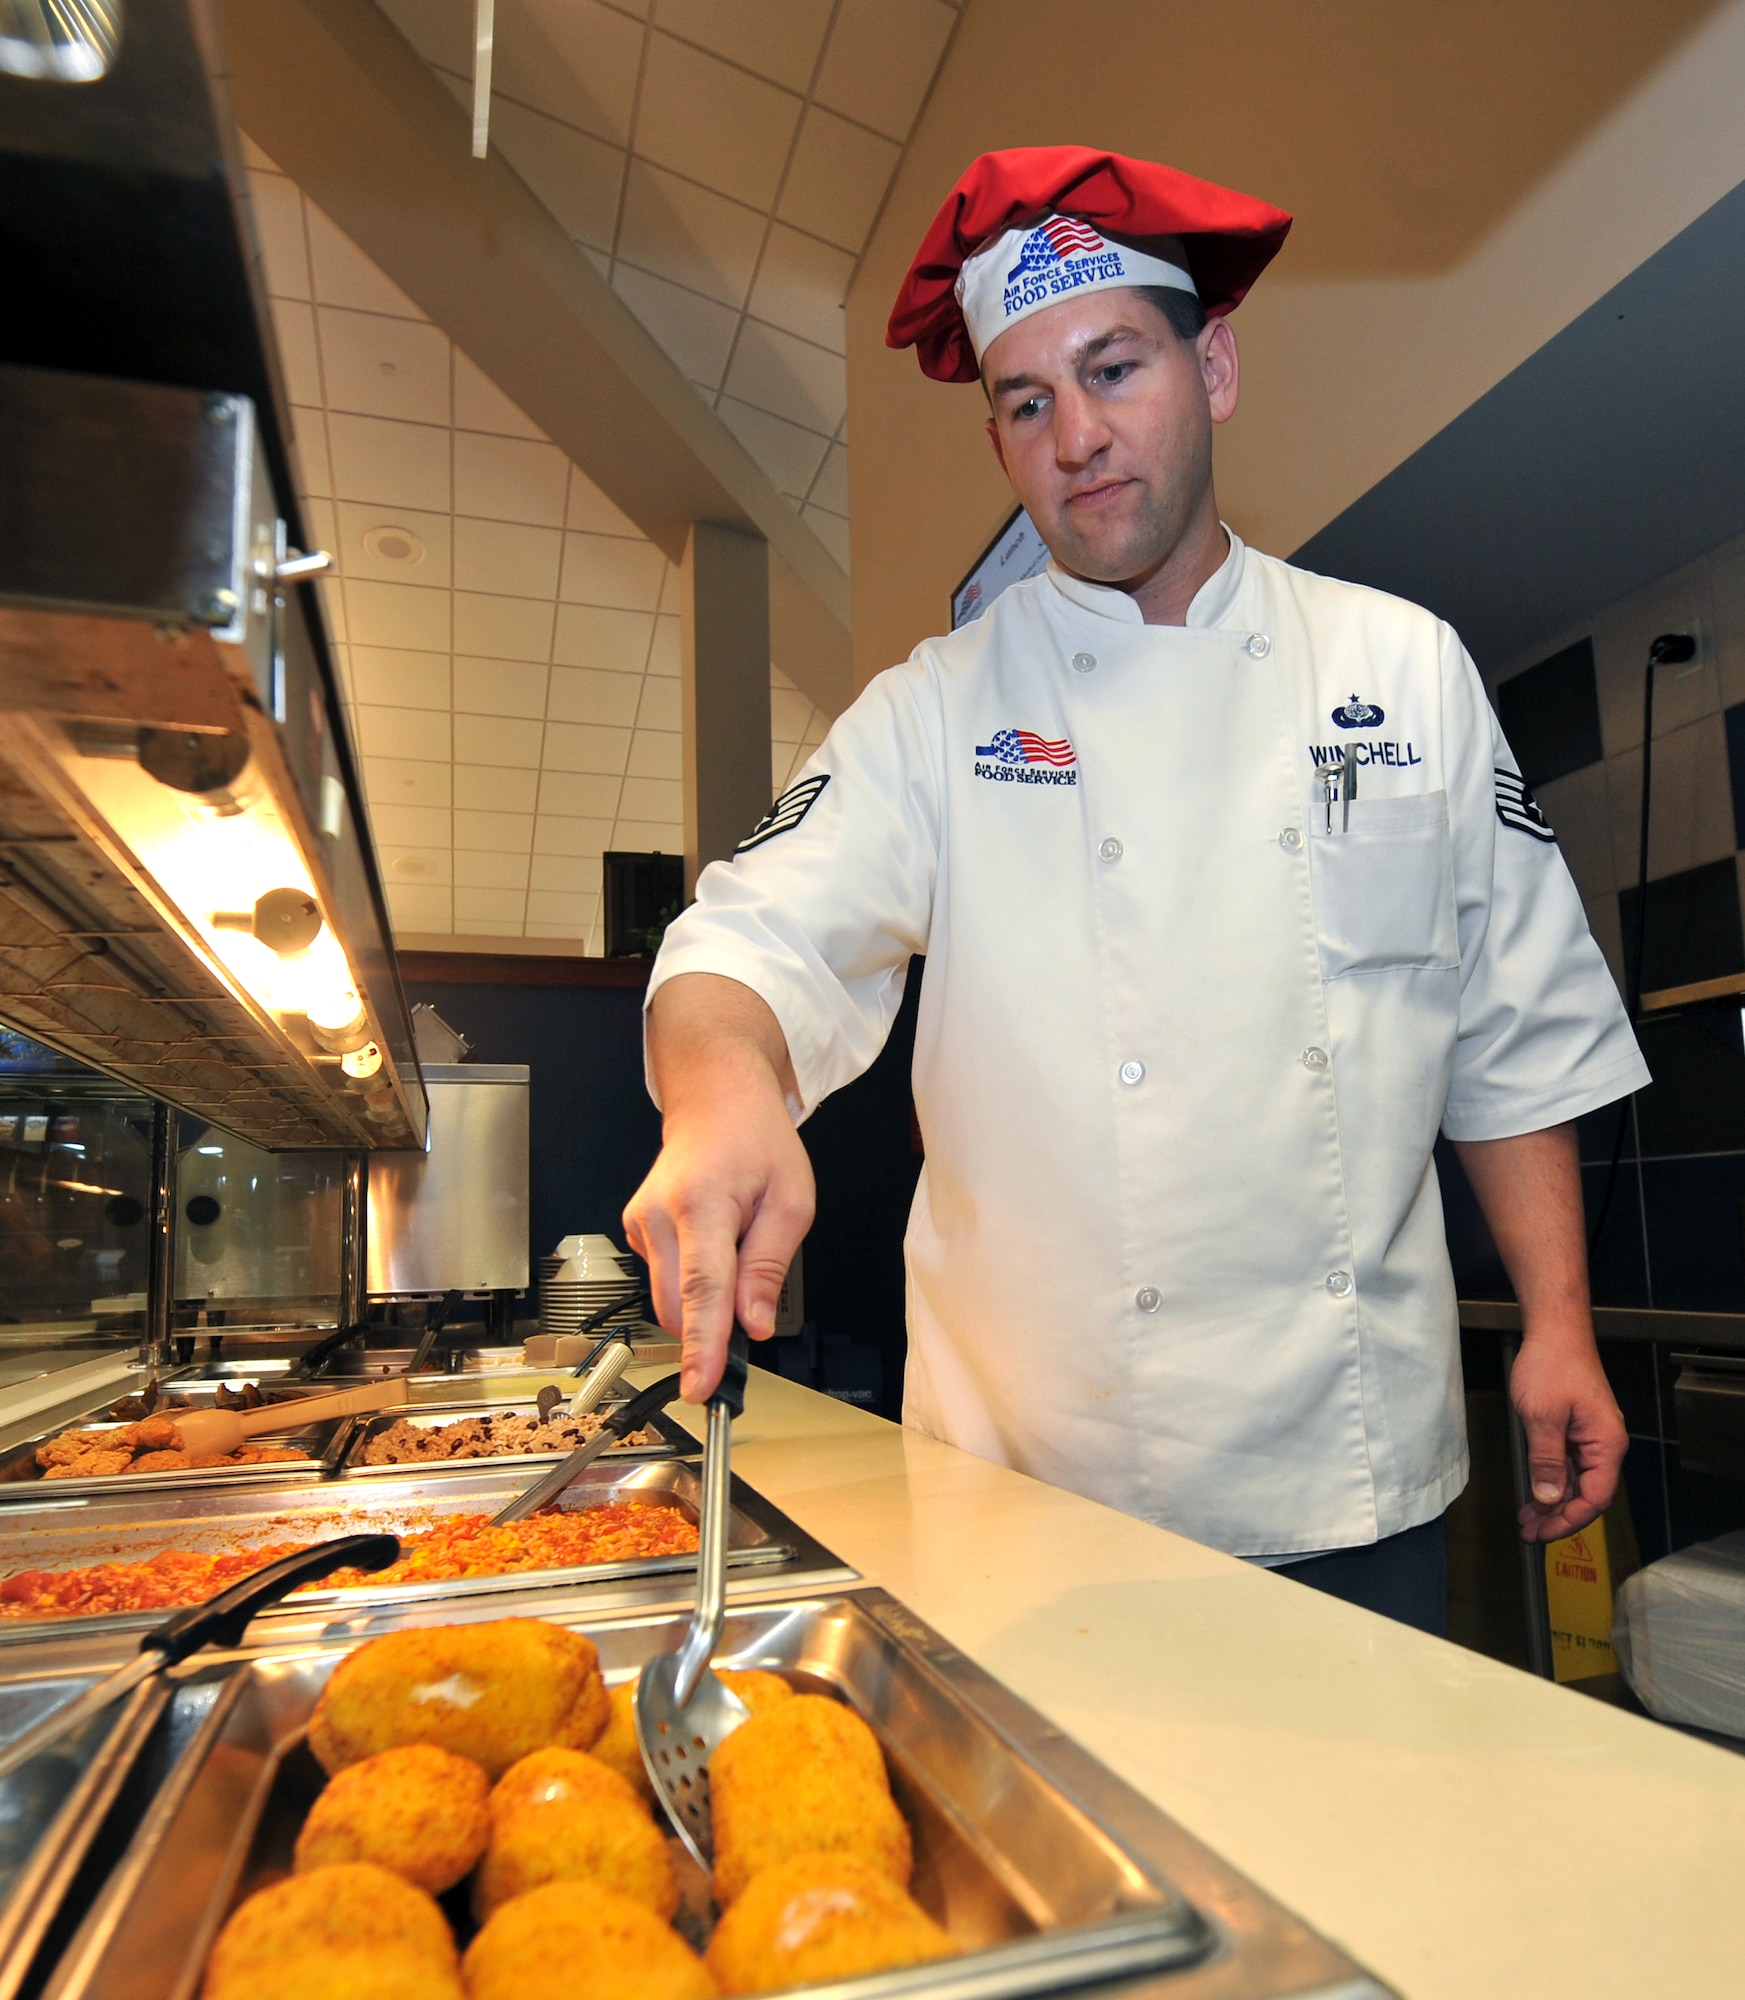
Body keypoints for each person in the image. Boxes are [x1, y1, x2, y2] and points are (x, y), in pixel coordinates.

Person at [625, 147, 1648, 1634]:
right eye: (1027, 402)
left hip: (1353, 1478)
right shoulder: (939, 709)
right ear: (997, 440)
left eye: (1113, 370)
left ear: (1213, 366)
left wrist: (1557, 1320)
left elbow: (1511, 1034)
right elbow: (748, 937)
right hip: (1028, 1494)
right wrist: (718, 1094)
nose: (1078, 436)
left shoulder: (1399, 669)